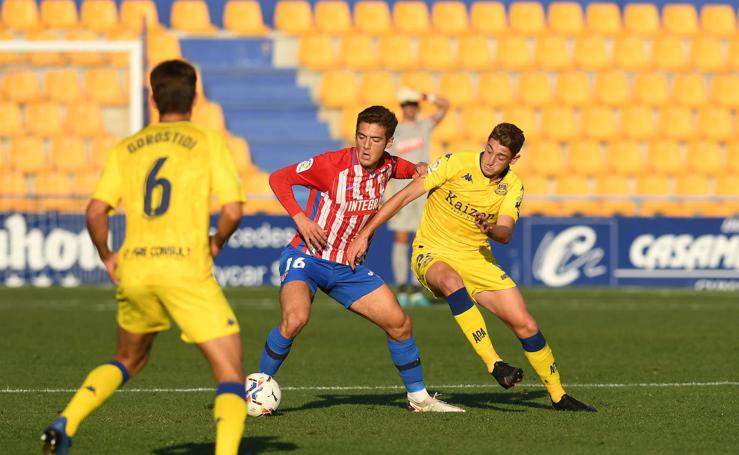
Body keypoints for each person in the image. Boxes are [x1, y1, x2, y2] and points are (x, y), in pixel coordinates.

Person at [41, 60, 249, 455]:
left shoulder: (126, 148)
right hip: (186, 268)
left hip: (135, 267)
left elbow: (95, 212)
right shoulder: (208, 142)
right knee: (230, 375)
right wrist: (216, 241)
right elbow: (233, 211)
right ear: (196, 97)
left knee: (127, 359)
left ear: (153, 99)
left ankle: (65, 422)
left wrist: (108, 256)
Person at [347, 123, 597, 412]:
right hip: (432, 252)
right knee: (452, 281)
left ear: (513, 160)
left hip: (477, 258)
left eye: (500, 156)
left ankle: (559, 397)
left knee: (525, 324)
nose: (490, 160)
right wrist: (366, 232)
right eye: (489, 150)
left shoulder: (512, 186)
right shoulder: (456, 163)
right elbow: (404, 196)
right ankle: (494, 363)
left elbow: (505, 233)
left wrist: (490, 228)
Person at [258, 105, 463, 413]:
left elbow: (404, 168)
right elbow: (278, 179)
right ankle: (258, 388)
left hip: (346, 268)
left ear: (389, 142)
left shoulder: (387, 165)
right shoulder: (331, 165)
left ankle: (419, 399)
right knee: (295, 319)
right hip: (307, 258)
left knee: (400, 324)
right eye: (361, 137)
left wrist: (419, 166)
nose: (367, 146)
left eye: (375, 139)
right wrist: (300, 218)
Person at [388, 88, 449, 307]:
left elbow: (445, 106)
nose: (411, 109)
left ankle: (416, 288)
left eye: (414, 105)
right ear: (402, 107)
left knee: (421, 238)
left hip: (423, 188)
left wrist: (427, 96)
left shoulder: (424, 126)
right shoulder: (394, 131)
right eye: (407, 105)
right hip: (400, 190)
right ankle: (402, 287)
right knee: (401, 238)